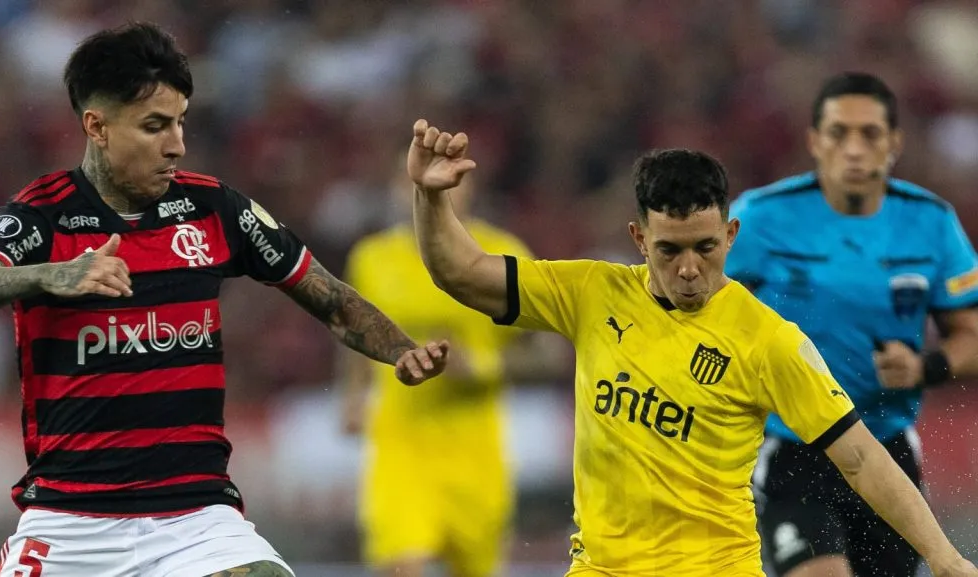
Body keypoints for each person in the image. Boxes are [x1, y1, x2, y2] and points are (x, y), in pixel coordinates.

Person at [0, 23, 448, 577]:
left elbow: (329, 298)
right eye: (154, 126)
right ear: (97, 127)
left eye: (181, 122)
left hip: (195, 518)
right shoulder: (43, 214)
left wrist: (400, 350)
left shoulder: (213, 208)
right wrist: (48, 275)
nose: (177, 144)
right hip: (71, 519)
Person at [404, 118, 978, 577]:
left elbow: (860, 456)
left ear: (730, 235)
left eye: (705, 247)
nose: (688, 270)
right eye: (669, 250)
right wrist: (431, 201)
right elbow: (462, 272)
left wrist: (945, 557)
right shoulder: (591, 293)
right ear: (639, 238)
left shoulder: (768, 340)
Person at [726, 71, 978, 577]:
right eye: (840, 133)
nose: (855, 149)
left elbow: (970, 335)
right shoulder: (758, 218)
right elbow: (693, 301)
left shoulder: (931, 223)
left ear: (895, 143)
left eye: (870, 134)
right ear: (815, 142)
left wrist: (926, 365)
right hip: (792, 448)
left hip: (886, 447)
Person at [339, 162, 567, 577]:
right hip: (400, 445)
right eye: (410, 183)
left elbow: (550, 354)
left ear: (467, 190)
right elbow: (356, 331)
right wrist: (353, 397)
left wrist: (482, 365)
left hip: (475, 455)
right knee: (400, 567)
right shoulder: (373, 258)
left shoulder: (503, 254)